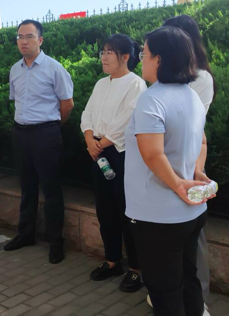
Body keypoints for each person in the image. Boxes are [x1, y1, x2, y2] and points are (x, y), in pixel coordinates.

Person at [125, 26, 214, 315]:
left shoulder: (152, 98)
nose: (141, 61)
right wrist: (196, 173)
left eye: (145, 54)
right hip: (192, 212)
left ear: (159, 60)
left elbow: (152, 153)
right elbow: (201, 141)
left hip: (158, 215)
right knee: (188, 279)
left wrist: (177, 184)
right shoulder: (191, 96)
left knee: (164, 290)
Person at [4, 19, 74, 264]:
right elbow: (16, 101)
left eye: (29, 36)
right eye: (20, 37)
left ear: (40, 40)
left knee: (51, 189)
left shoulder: (54, 68)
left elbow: (67, 104)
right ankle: (26, 234)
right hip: (20, 134)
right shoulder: (15, 69)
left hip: (46, 134)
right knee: (27, 187)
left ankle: (56, 242)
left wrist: (53, 126)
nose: (23, 41)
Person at [81, 34, 146, 292]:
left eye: (110, 52)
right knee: (104, 209)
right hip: (97, 152)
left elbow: (128, 119)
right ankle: (112, 261)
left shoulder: (136, 84)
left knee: (127, 212)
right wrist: (90, 139)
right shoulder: (101, 84)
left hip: (120, 154)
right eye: (103, 52)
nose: (104, 57)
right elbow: (87, 113)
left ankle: (137, 269)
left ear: (126, 57)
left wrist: (102, 143)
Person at [164, 14, 215, 309]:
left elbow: (193, 128)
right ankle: (171, 295)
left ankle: (199, 300)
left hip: (188, 164)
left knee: (193, 237)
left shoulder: (201, 79)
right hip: (162, 166)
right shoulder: (162, 79)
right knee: (169, 237)